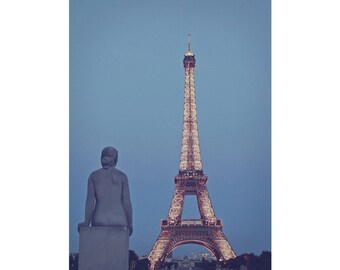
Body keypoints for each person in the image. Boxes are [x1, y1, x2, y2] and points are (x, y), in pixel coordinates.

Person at [78, 146, 133, 236]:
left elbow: (90, 202)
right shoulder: (122, 176)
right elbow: (126, 203)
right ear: (115, 159)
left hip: (99, 218)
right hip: (119, 219)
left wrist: (86, 222)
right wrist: (130, 224)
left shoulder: (94, 176)